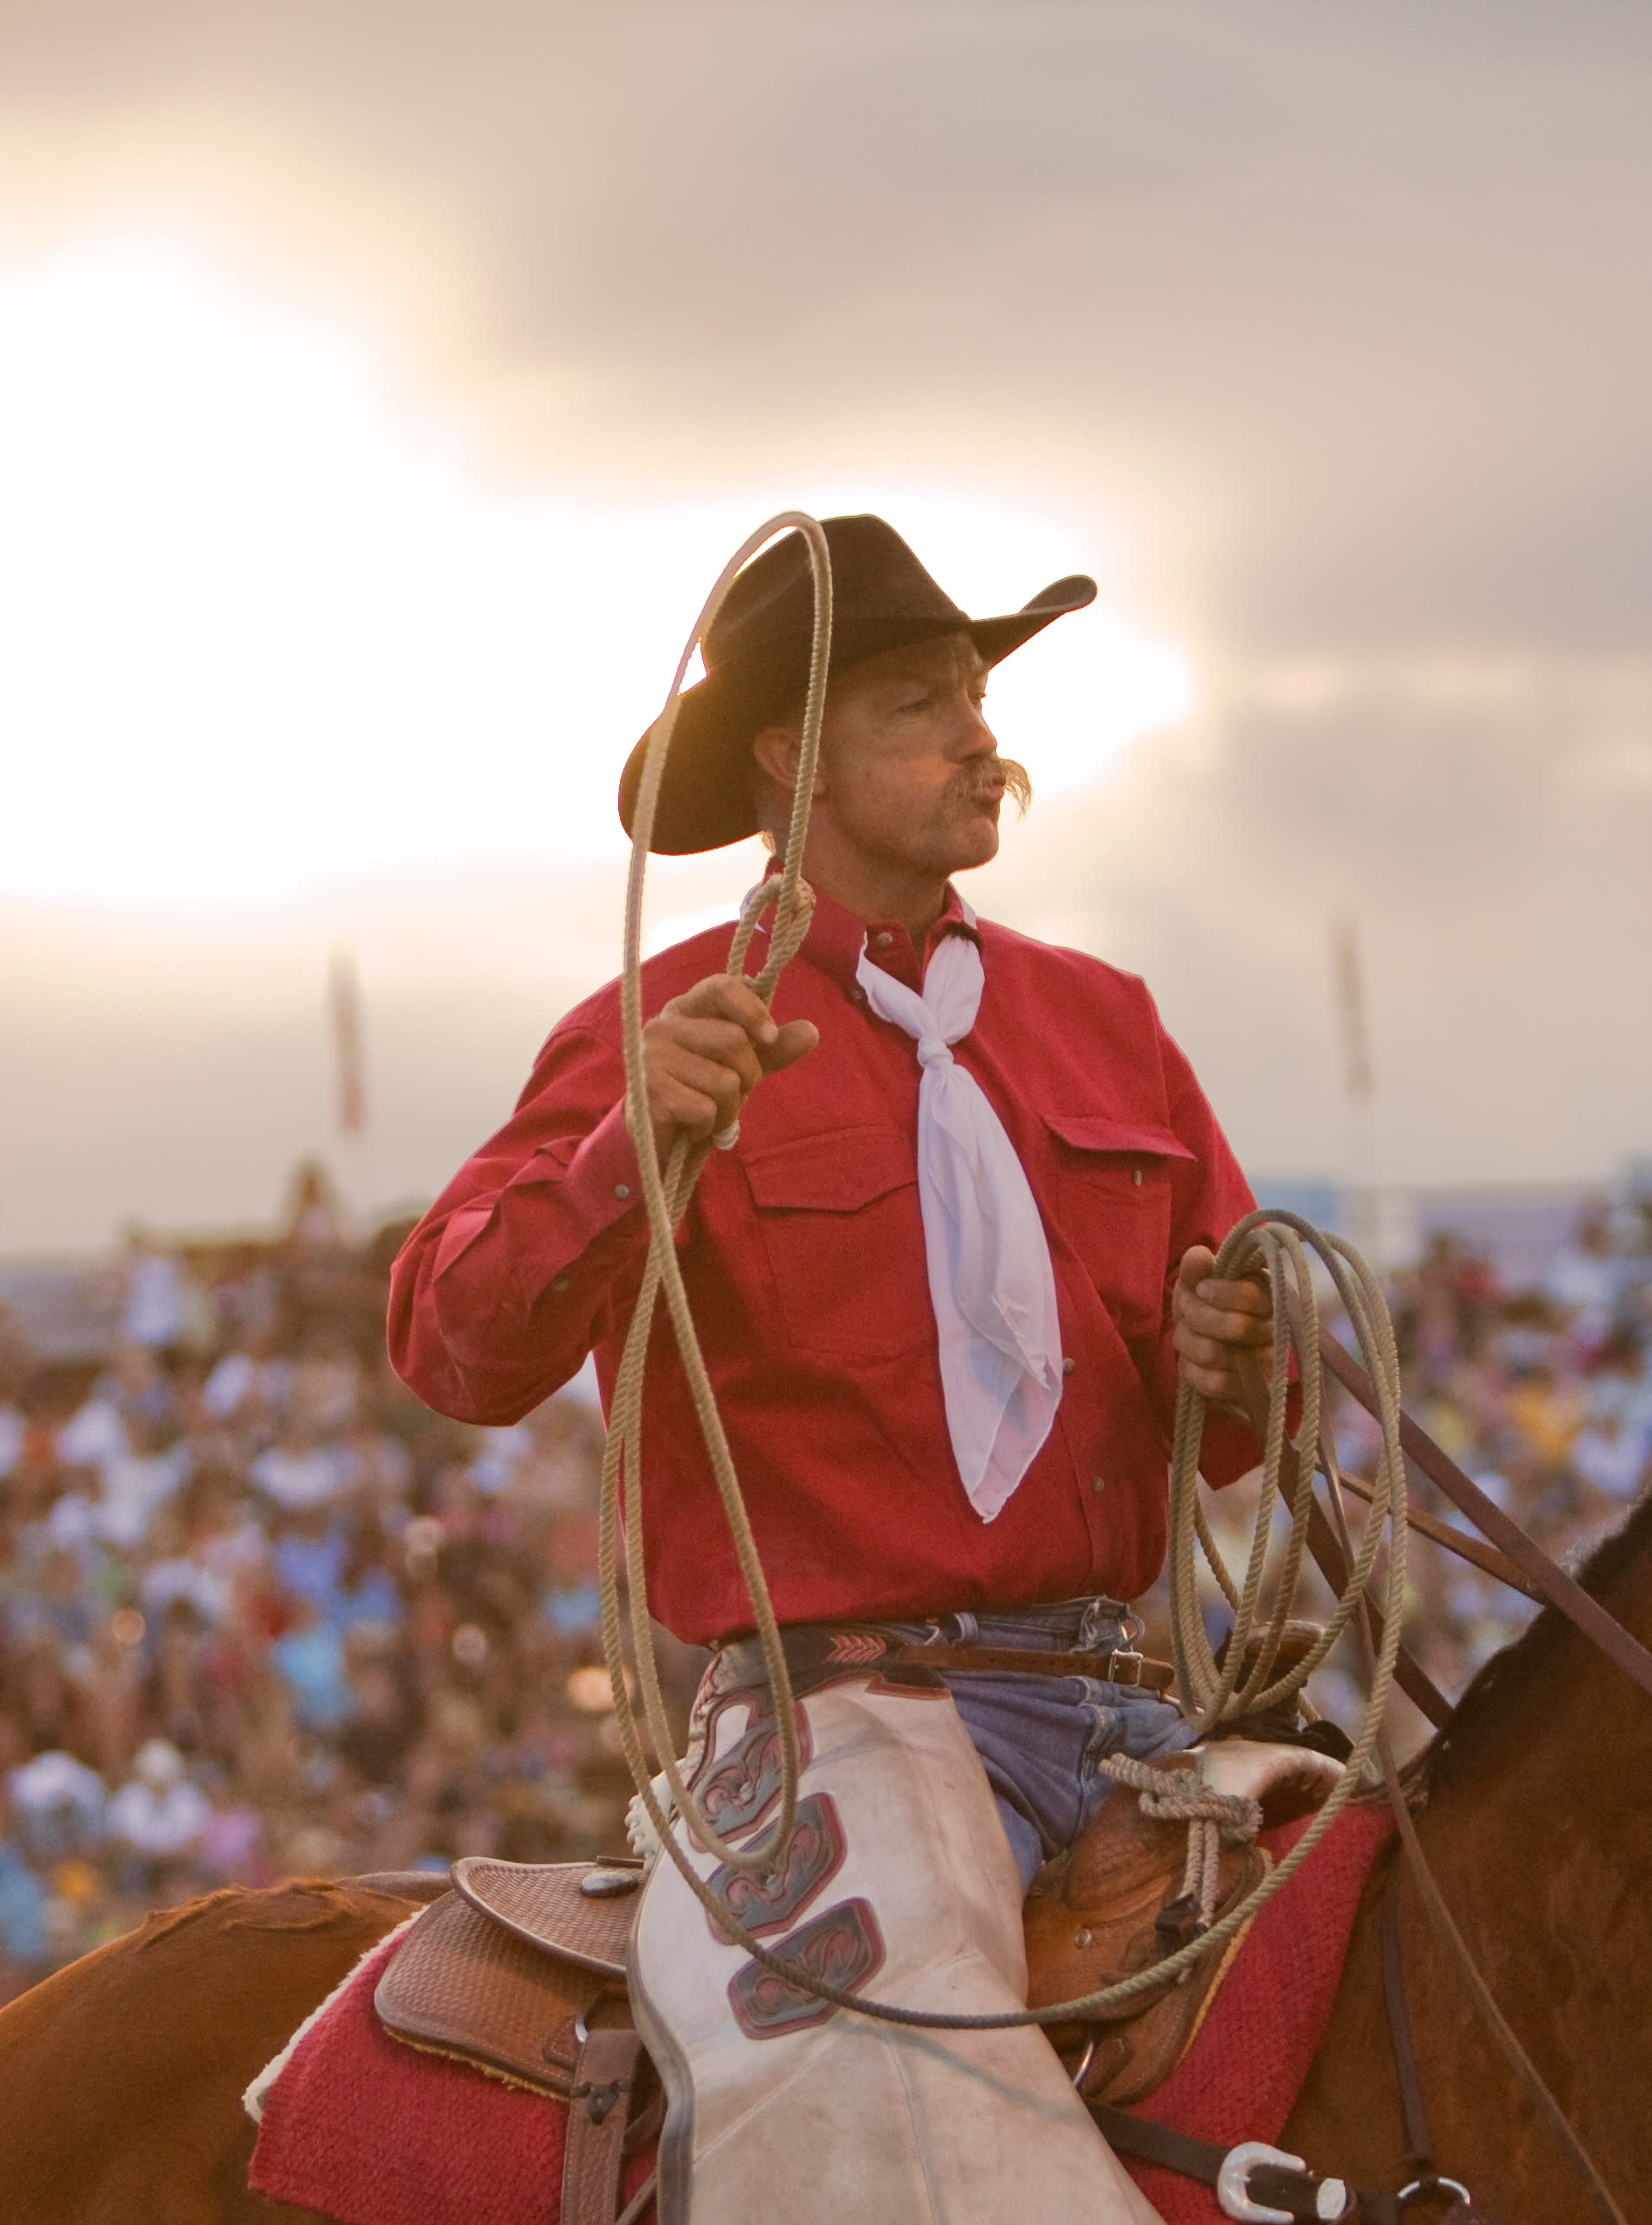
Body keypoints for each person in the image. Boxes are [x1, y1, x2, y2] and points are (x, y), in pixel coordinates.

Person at [384, 513, 1277, 1886]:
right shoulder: (648, 1026)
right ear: (790, 754)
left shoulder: (1108, 1022)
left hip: (1126, 1705)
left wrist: (1250, 1353)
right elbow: (452, 1345)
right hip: (832, 1728)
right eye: (919, 705)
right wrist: (625, 1154)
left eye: (977, 697)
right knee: (889, 2086)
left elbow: (1224, 1420)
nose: (979, 738)